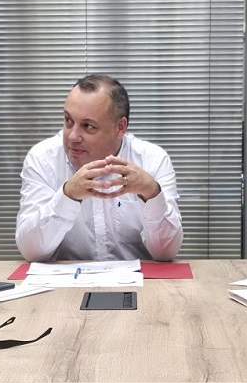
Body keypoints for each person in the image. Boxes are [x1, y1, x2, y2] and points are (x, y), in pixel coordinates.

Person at [16, 74, 182, 261]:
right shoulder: (43, 159)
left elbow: (165, 253)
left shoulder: (152, 160)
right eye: (68, 121)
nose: (72, 137)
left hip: (142, 285)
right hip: (68, 286)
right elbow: (31, 251)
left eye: (88, 126)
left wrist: (151, 194)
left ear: (120, 128)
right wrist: (67, 196)